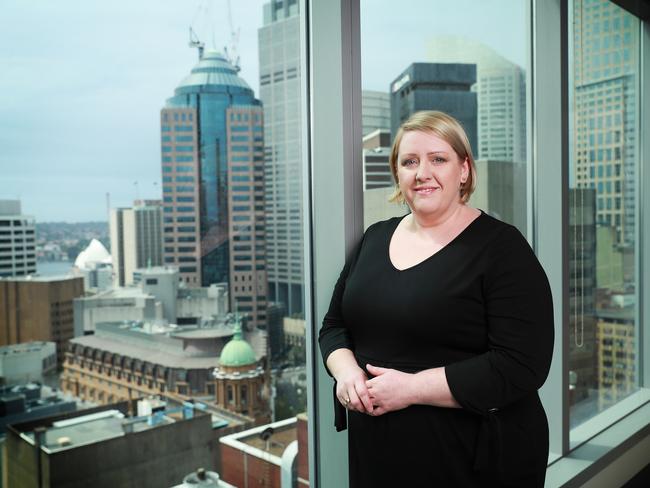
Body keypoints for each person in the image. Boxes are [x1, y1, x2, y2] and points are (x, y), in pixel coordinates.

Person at [319, 110, 554, 487]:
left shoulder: (502, 248)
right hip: (380, 455)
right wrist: (345, 373)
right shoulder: (374, 238)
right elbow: (334, 326)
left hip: (472, 459)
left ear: (463, 170)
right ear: (397, 173)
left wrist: (411, 389)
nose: (422, 172)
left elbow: (523, 365)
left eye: (438, 159)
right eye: (409, 161)